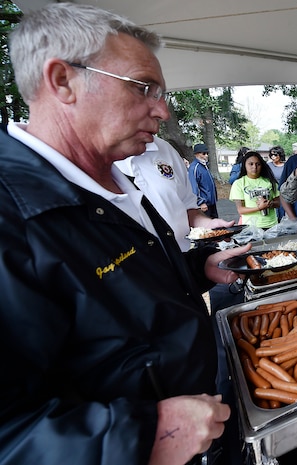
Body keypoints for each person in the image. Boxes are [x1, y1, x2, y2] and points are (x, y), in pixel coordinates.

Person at [0, 4, 252, 464]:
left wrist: (198, 269)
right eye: (143, 88)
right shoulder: (11, 217)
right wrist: (142, 437)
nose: (163, 109)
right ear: (62, 82)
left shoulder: (113, 182)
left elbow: (120, 295)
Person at [116, 136, 234, 251]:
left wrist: (207, 226)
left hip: (183, 258)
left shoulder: (164, 149)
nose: (164, 115)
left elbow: (188, 206)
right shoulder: (105, 167)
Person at [229, 151, 282, 228]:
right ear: (244, 165)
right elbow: (240, 210)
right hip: (250, 226)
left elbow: (279, 203)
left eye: (258, 164)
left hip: (271, 225)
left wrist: (270, 203)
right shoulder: (239, 184)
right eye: (251, 164)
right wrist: (259, 208)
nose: (254, 167)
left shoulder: (270, 182)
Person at [188, 143, 219, 218]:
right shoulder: (194, 168)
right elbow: (193, 186)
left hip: (211, 203)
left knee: (216, 226)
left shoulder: (204, 166)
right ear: (196, 154)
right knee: (206, 228)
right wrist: (200, 202)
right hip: (204, 205)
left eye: (207, 153)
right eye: (204, 153)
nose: (206, 156)